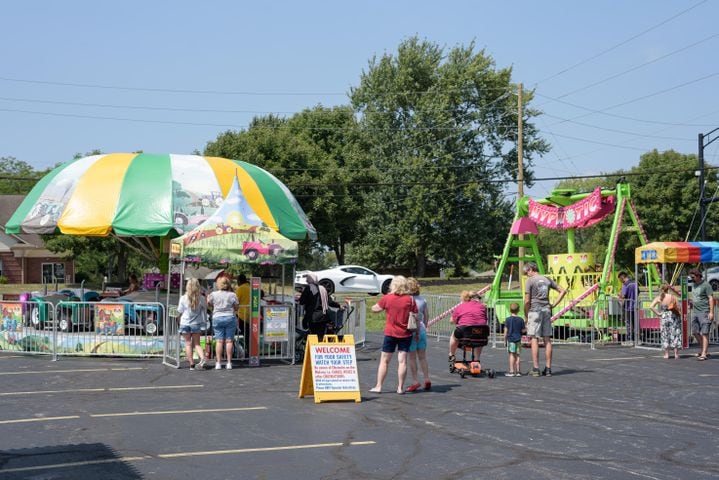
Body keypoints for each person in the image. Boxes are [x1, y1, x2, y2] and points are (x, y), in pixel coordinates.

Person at [370, 275, 416, 394]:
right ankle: (400, 387)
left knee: (384, 361)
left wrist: (375, 307)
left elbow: (375, 309)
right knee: (402, 361)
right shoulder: (410, 299)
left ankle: (379, 386)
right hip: (406, 334)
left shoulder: (387, 298)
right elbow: (416, 314)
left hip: (390, 333)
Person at [523, 262, 567, 377]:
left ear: (531, 269)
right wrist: (554, 304)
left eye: (526, 271)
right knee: (547, 339)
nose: (526, 274)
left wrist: (526, 315)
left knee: (534, 339)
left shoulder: (530, 281)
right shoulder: (547, 279)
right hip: (546, 310)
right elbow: (563, 291)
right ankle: (548, 368)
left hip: (535, 310)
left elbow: (527, 301)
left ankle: (536, 368)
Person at [405, 277, 431, 392]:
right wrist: (425, 326)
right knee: (422, 357)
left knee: (412, 357)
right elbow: (426, 316)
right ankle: (426, 378)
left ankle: (415, 380)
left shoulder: (406, 300)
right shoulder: (423, 300)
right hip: (422, 329)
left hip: (411, 329)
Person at [208, 276, 239, 369]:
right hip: (230, 317)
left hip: (217, 317)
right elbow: (237, 307)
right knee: (229, 341)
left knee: (219, 341)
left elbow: (209, 304)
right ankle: (229, 363)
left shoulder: (213, 294)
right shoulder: (232, 295)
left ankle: (218, 363)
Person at [449, 290, 488, 363]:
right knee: (479, 336)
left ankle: (452, 354)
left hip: (465, 332)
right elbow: (485, 320)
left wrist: (458, 321)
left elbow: (452, 321)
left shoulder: (461, 306)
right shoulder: (482, 307)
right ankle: (477, 359)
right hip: (481, 333)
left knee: (454, 336)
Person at [177, 278, 208, 370]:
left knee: (188, 344)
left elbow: (179, 310)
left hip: (185, 323)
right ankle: (203, 358)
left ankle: (191, 364)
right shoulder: (201, 298)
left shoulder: (183, 298)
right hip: (196, 323)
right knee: (197, 344)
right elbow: (206, 307)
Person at [298, 273, 339, 341]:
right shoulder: (322, 288)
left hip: (312, 316)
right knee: (321, 335)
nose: (306, 280)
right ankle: (320, 348)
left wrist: (303, 297)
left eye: (307, 279)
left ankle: (314, 349)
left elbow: (302, 301)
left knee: (313, 335)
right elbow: (330, 302)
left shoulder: (309, 288)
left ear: (310, 279)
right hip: (324, 316)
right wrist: (339, 306)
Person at [650, 283, 681, 360]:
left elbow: (651, 306)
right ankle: (676, 353)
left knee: (665, 334)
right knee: (675, 334)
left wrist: (658, 313)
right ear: (668, 289)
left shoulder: (659, 297)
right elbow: (678, 307)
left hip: (664, 316)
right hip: (673, 316)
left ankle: (666, 354)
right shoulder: (672, 297)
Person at [688, 268, 714, 361]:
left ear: (698, 276)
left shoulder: (706, 285)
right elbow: (695, 297)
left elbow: (710, 298)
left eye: (693, 277)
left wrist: (711, 312)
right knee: (695, 332)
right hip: (695, 311)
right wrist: (691, 303)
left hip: (704, 312)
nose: (691, 279)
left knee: (705, 333)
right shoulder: (694, 285)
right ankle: (704, 350)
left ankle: (704, 353)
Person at [504, 302, 525, 376]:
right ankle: (518, 371)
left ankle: (511, 371)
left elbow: (505, 332)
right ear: (518, 310)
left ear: (510, 310)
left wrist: (505, 340)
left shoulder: (507, 320)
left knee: (511, 355)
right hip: (518, 339)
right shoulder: (521, 320)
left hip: (511, 340)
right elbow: (523, 330)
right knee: (518, 355)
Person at [617, 272, 637, 343]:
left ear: (622, 277)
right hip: (635, 306)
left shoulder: (625, 285)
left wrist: (619, 295)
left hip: (628, 307)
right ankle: (638, 339)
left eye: (620, 279)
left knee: (629, 324)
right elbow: (638, 292)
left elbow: (623, 296)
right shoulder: (634, 283)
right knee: (635, 323)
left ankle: (630, 339)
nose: (620, 281)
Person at [235, 273, 251, 353]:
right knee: (248, 335)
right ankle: (250, 351)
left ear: (240, 281)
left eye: (237, 281)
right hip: (251, 315)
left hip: (241, 315)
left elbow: (235, 301)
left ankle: (241, 351)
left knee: (241, 334)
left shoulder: (240, 289)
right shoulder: (251, 288)